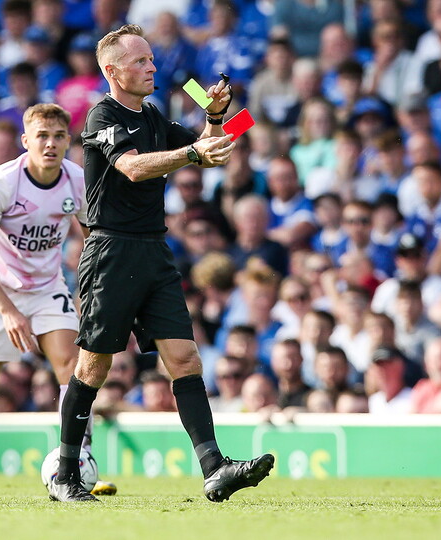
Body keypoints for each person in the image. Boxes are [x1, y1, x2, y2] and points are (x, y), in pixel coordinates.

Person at [50, 24, 273, 503]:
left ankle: (214, 468)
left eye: (152, 60)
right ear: (112, 71)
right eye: (140, 62)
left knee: (185, 359)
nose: (152, 67)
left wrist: (218, 118)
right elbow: (132, 166)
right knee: (94, 365)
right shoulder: (102, 115)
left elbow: (216, 151)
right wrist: (193, 150)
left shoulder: (152, 116)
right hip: (110, 250)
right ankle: (66, 473)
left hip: (154, 249)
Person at [0, 104, 115, 498]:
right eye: (42, 136)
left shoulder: (78, 180)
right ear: (26, 141)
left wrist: (92, 289)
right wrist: (8, 310)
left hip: (47, 287)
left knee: (74, 369)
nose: (50, 144)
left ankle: (77, 463)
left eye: (58, 137)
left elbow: (94, 239)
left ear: (68, 141)